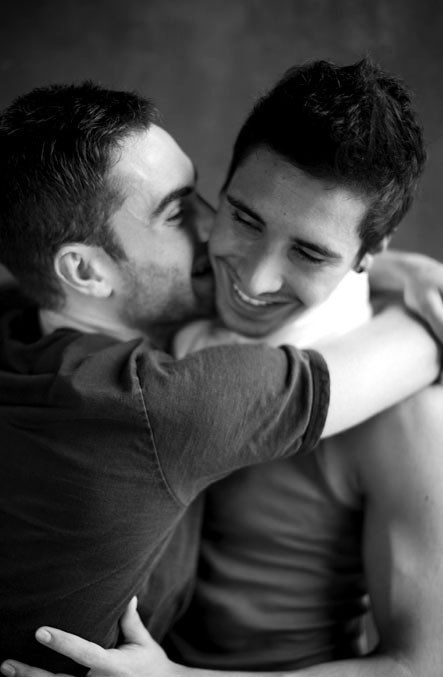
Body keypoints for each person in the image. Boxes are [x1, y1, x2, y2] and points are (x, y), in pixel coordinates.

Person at [7, 58, 443, 677]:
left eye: (311, 252)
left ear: (365, 255)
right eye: (241, 216)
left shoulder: (407, 413)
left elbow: (421, 668)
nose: (253, 279)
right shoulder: (164, 368)